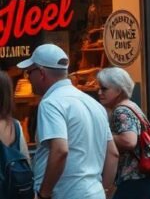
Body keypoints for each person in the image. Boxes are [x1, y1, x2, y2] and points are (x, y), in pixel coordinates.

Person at [17, 44, 118, 199]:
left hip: (65, 194)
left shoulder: (51, 103)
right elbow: (113, 153)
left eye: (29, 72)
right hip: (94, 193)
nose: (28, 77)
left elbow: (60, 150)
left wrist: (44, 194)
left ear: (42, 73)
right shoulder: (95, 105)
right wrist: (102, 190)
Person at [96, 67, 150, 199]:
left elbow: (129, 141)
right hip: (146, 174)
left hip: (135, 177)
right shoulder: (131, 105)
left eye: (104, 89)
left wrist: (104, 136)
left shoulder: (121, 110)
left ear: (118, 90)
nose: (99, 92)